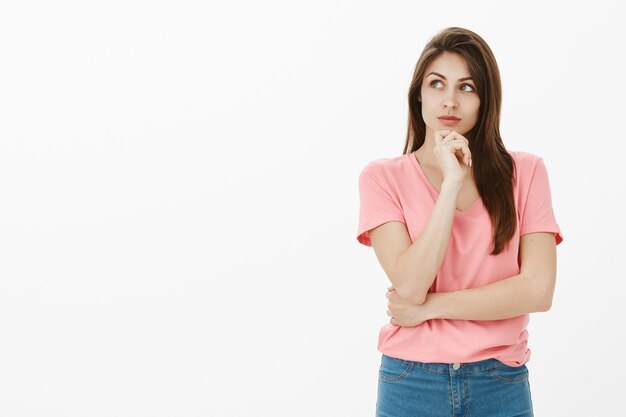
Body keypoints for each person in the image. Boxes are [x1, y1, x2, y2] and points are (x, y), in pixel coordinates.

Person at [356, 27, 563, 417]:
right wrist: (451, 183)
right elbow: (411, 285)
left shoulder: (527, 172)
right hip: (411, 383)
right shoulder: (381, 178)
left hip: (500, 380)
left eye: (467, 88)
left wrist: (430, 309)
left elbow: (538, 290)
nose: (450, 101)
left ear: (486, 99)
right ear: (419, 93)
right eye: (437, 84)